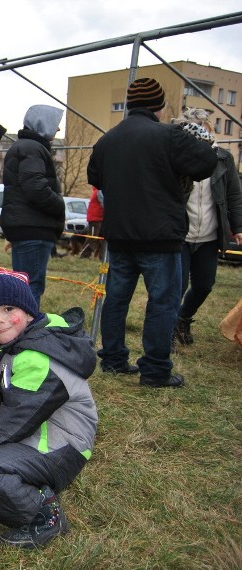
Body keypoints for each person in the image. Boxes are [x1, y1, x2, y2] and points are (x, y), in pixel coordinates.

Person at [0, 269, 97, 549]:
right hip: (40, 436)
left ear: (27, 311)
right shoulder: (19, 344)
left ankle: (45, 515)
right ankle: (25, 486)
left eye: (8, 308)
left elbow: (16, 418)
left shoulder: (37, 356)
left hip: (62, 448)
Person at [87, 78, 217, 387]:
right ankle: (156, 370)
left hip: (119, 236)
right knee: (163, 302)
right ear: (158, 106)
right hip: (160, 236)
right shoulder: (169, 136)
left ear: (130, 105)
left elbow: (95, 176)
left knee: (116, 299)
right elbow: (206, 164)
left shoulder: (107, 140)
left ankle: (114, 360)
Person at [170, 109, 242, 346]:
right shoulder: (177, 157)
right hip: (181, 234)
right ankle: (168, 330)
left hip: (210, 235)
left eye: (205, 129)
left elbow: (233, 194)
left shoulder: (223, 159)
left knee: (204, 285)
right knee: (176, 286)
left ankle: (183, 317)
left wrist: (238, 227)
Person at [1, 105, 66, 307]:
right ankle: (27, 336)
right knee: (30, 288)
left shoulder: (27, 147)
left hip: (26, 226)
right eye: (55, 124)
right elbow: (35, 187)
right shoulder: (33, 148)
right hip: (34, 229)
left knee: (24, 285)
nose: (58, 130)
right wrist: (59, 204)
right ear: (43, 123)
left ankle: (21, 333)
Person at [79, 186, 105, 260]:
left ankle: (103, 258)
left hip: (101, 218)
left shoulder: (100, 190)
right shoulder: (100, 191)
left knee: (103, 240)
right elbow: (104, 204)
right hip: (95, 219)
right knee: (92, 239)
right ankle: (83, 256)